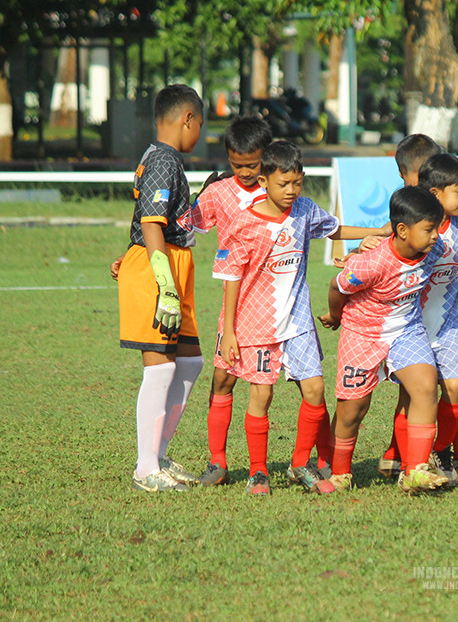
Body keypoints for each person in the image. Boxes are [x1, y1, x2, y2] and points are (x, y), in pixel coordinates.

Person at [214, 141, 389, 495]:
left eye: (297, 183)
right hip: (255, 325)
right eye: (283, 184)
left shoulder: (304, 210)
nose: (291, 191)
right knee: (261, 395)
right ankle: (258, 472)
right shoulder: (244, 222)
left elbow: (334, 228)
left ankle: (300, 463)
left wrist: (378, 233)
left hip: (297, 323)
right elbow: (230, 278)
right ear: (263, 181)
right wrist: (229, 331)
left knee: (314, 390)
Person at [321, 186, 451, 494]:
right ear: (402, 230)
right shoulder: (372, 263)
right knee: (353, 409)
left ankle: (415, 470)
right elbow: (337, 287)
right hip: (362, 333)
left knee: (425, 386)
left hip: (407, 329)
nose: (435, 236)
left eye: (437, 228)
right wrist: (336, 316)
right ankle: (339, 470)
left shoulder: (434, 248)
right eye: (429, 229)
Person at [117, 84, 205, 492]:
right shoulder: (165, 161)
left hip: (171, 262)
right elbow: (151, 222)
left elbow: (151, 216)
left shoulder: (162, 158)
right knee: (162, 366)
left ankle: (158, 454)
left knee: (189, 362)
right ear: (188, 118)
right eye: (200, 125)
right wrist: (164, 283)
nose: (199, 134)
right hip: (160, 269)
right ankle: (144, 467)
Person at [185, 115, 273, 486]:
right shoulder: (220, 191)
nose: (246, 172)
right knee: (223, 378)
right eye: (238, 165)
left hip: (275, 304)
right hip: (235, 301)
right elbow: (187, 225)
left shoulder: (279, 189)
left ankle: (269, 466)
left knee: (275, 387)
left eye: (253, 164)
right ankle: (217, 462)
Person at [410, 154, 458, 486]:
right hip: (412, 326)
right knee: (413, 395)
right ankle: (408, 458)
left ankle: (440, 452)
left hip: (449, 324)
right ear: (436, 193)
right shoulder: (417, 229)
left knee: (455, 388)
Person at [376, 134, 445, 479]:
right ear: (405, 176)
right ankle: (401, 455)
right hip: (405, 317)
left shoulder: (440, 221)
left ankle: (407, 455)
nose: (429, 187)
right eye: (422, 177)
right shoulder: (403, 226)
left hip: (439, 311)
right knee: (412, 386)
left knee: (424, 387)